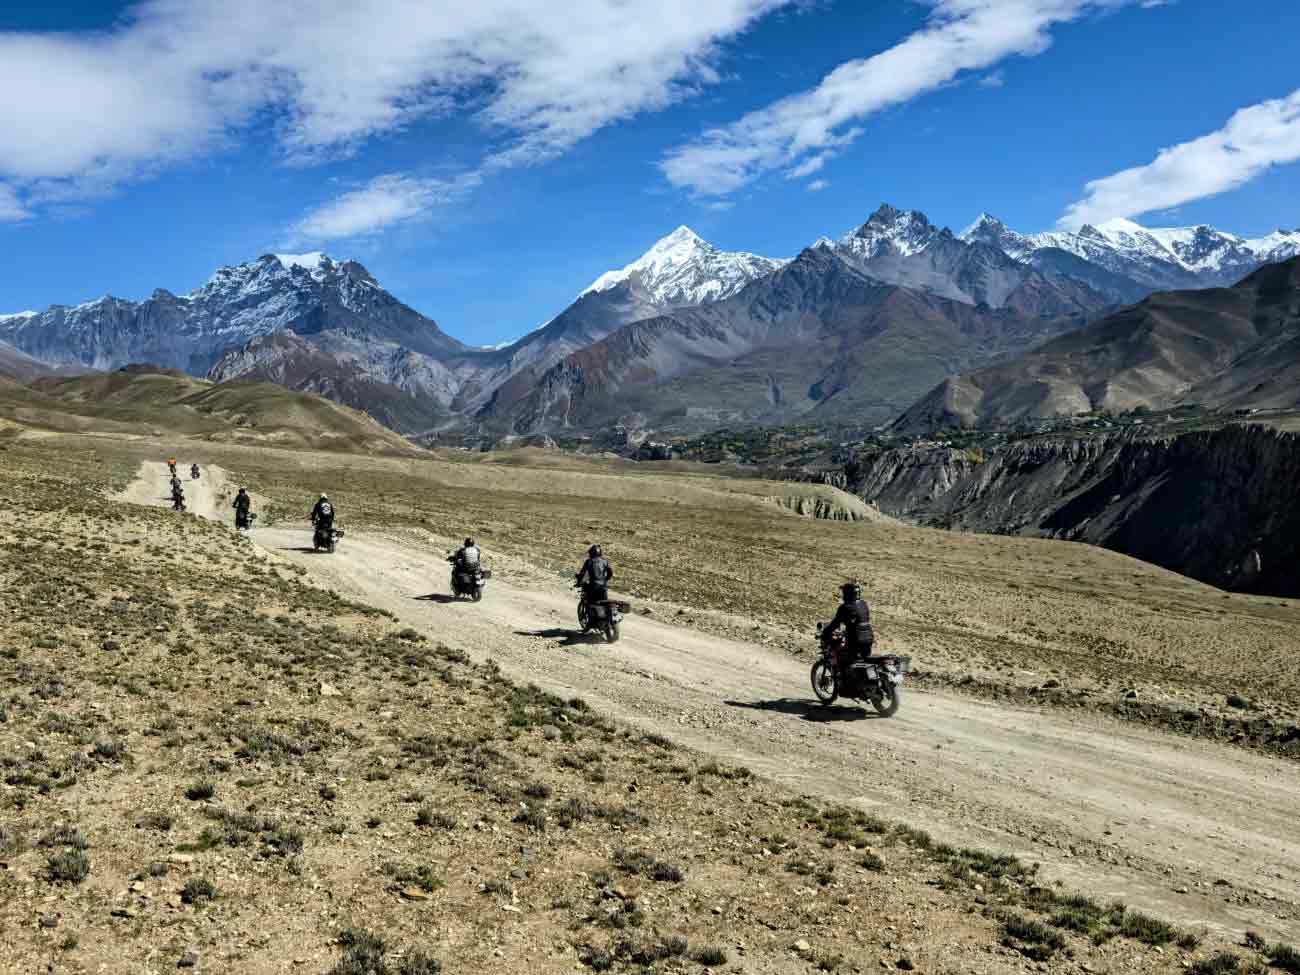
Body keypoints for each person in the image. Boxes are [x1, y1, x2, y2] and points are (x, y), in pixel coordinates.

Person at [821, 581, 874, 666]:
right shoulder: (864, 604)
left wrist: (825, 633)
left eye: (844, 592)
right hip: (868, 638)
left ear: (847, 594)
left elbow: (835, 624)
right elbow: (858, 621)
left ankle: (843, 677)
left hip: (855, 639)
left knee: (841, 658)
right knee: (863, 661)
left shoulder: (844, 607)